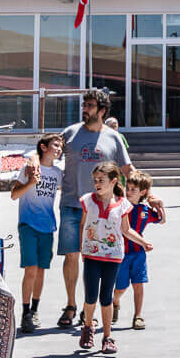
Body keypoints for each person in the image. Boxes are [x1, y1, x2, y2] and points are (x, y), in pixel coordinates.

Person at [55, 89, 132, 330]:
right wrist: (34, 161)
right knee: (71, 255)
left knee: (96, 260)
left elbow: (128, 170)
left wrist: (149, 193)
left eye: (89, 105)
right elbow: (47, 150)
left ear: (101, 110)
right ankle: (70, 305)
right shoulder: (70, 133)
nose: (84, 109)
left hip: (102, 211)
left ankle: (92, 311)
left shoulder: (113, 138)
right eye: (83, 105)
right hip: (71, 204)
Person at [77, 162, 154, 355]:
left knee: (106, 298)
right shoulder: (88, 200)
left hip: (113, 257)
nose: (97, 183)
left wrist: (143, 242)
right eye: (95, 180)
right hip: (92, 255)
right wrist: (82, 247)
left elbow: (126, 230)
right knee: (90, 296)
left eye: (101, 180)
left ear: (113, 181)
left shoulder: (123, 205)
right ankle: (87, 327)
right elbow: (83, 224)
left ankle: (107, 337)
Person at [10, 133, 64, 333]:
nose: (58, 149)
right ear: (43, 147)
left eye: (60, 146)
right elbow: (14, 195)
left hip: (48, 226)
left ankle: (34, 310)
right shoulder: (29, 168)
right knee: (30, 269)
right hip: (28, 224)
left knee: (41, 270)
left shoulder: (58, 173)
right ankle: (25, 313)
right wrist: (31, 182)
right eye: (55, 145)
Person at [112, 170, 164, 330]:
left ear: (143, 192)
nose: (128, 192)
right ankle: (115, 301)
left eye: (133, 189)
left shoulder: (145, 210)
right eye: (127, 188)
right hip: (121, 253)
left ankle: (138, 316)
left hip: (138, 254)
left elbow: (161, 220)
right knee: (121, 287)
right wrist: (144, 242)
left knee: (138, 284)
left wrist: (159, 206)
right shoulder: (121, 206)